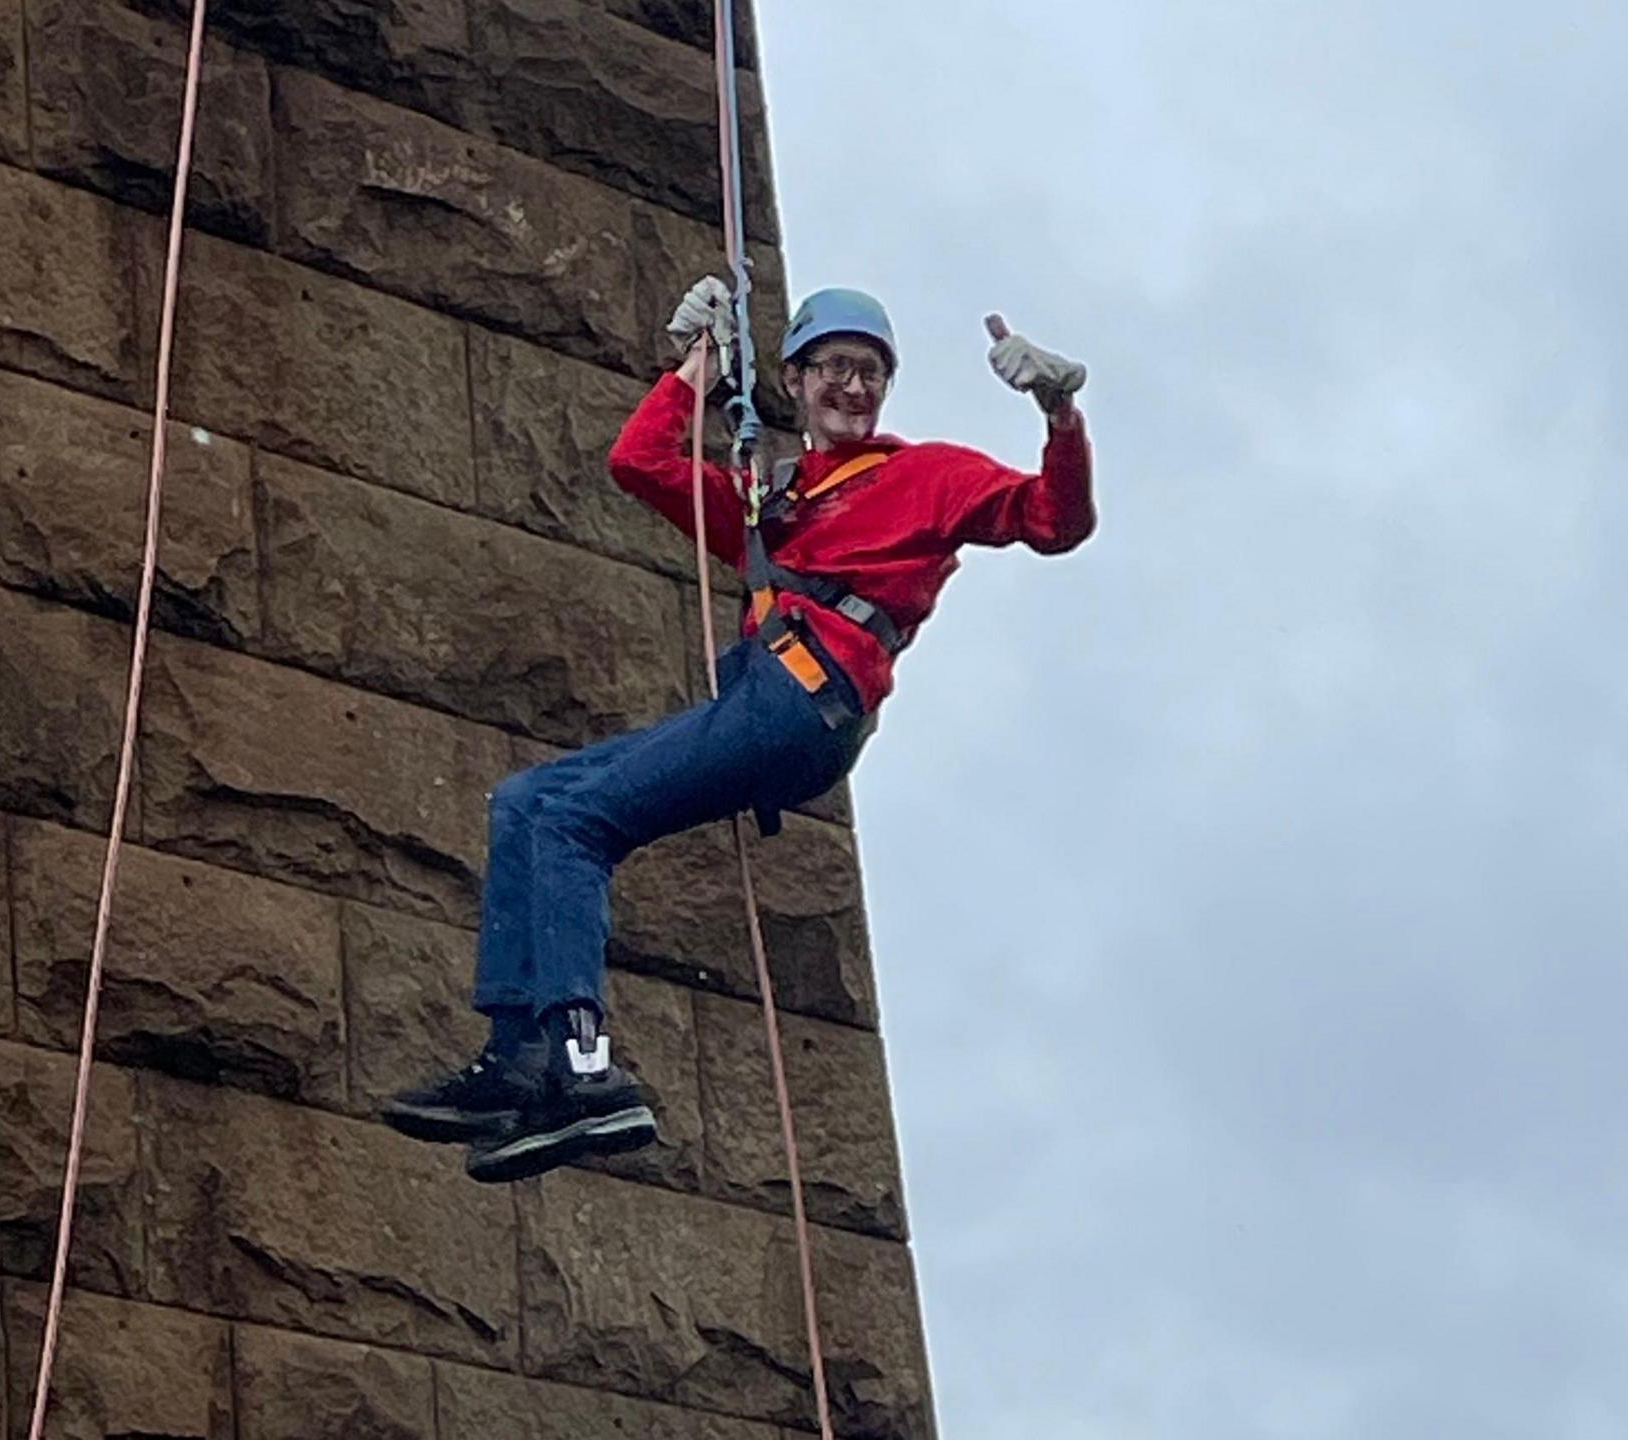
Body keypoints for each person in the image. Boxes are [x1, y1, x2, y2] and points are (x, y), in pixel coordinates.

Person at [381, 277, 1097, 1184]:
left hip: (805, 702)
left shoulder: (927, 475)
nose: (853, 387)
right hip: (767, 702)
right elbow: (638, 463)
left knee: (573, 823)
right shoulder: (773, 500)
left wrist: (1059, 412)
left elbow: (1055, 521)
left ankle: (580, 1063)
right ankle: (519, 1058)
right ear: (794, 383)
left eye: (871, 372)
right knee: (528, 800)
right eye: (834, 367)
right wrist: (697, 365)